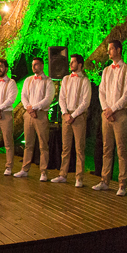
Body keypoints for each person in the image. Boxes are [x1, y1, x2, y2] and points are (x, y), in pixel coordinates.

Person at [93, 40, 127, 196]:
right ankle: (105, 180)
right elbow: (101, 91)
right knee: (106, 148)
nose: (108, 51)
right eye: (108, 49)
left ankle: (122, 184)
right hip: (107, 114)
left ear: (118, 50)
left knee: (121, 150)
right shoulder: (106, 71)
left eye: (111, 49)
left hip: (120, 114)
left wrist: (113, 109)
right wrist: (105, 109)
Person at [51, 54, 92, 188]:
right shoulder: (66, 79)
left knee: (79, 148)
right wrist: (65, 113)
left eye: (73, 62)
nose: (71, 64)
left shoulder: (85, 81)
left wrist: (73, 115)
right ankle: (63, 174)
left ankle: (79, 177)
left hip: (78, 116)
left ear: (80, 65)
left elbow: (85, 102)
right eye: (71, 62)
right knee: (65, 147)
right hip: (66, 115)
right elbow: (61, 98)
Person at [14, 57, 55, 181]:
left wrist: (35, 107)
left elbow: (48, 98)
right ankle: (25, 169)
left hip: (41, 114)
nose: (34, 67)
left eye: (36, 64)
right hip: (29, 114)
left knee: (43, 144)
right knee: (28, 143)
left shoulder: (48, 81)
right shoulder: (28, 80)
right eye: (33, 64)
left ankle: (43, 171)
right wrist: (28, 108)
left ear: (42, 65)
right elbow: (23, 96)